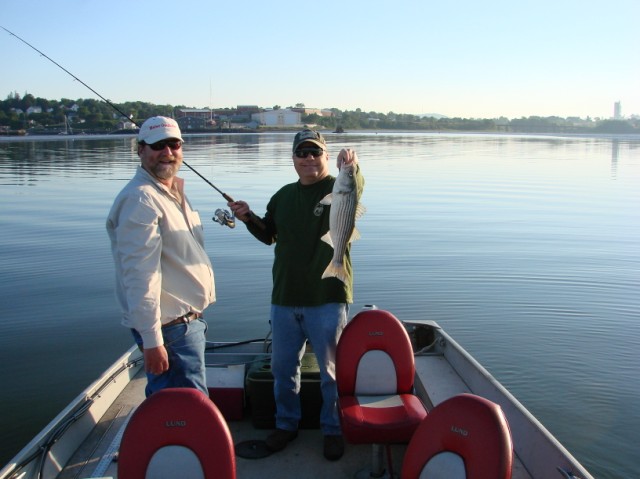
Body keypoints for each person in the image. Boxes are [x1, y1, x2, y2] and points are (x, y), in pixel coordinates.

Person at [228, 128, 365, 461]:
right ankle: (286, 425)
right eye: (302, 153)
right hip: (285, 297)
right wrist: (247, 218)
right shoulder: (283, 195)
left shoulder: (338, 187)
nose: (308, 158)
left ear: (325, 156)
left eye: (315, 152)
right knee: (283, 369)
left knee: (331, 372)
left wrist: (353, 167)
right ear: (293, 158)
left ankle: (332, 430)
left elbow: (355, 187)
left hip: (328, 296)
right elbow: (268, 235)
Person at [107, 116, 215, 397]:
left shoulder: (171, 190)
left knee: (183, 402)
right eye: (157, 146)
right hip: (170, 329)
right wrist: (153, 341)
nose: (167, 152)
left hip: (185, 323)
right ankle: (181, 441)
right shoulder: (141, 200)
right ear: (140, 149)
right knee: (184, 406)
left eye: (173, 144)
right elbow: (140, 276)